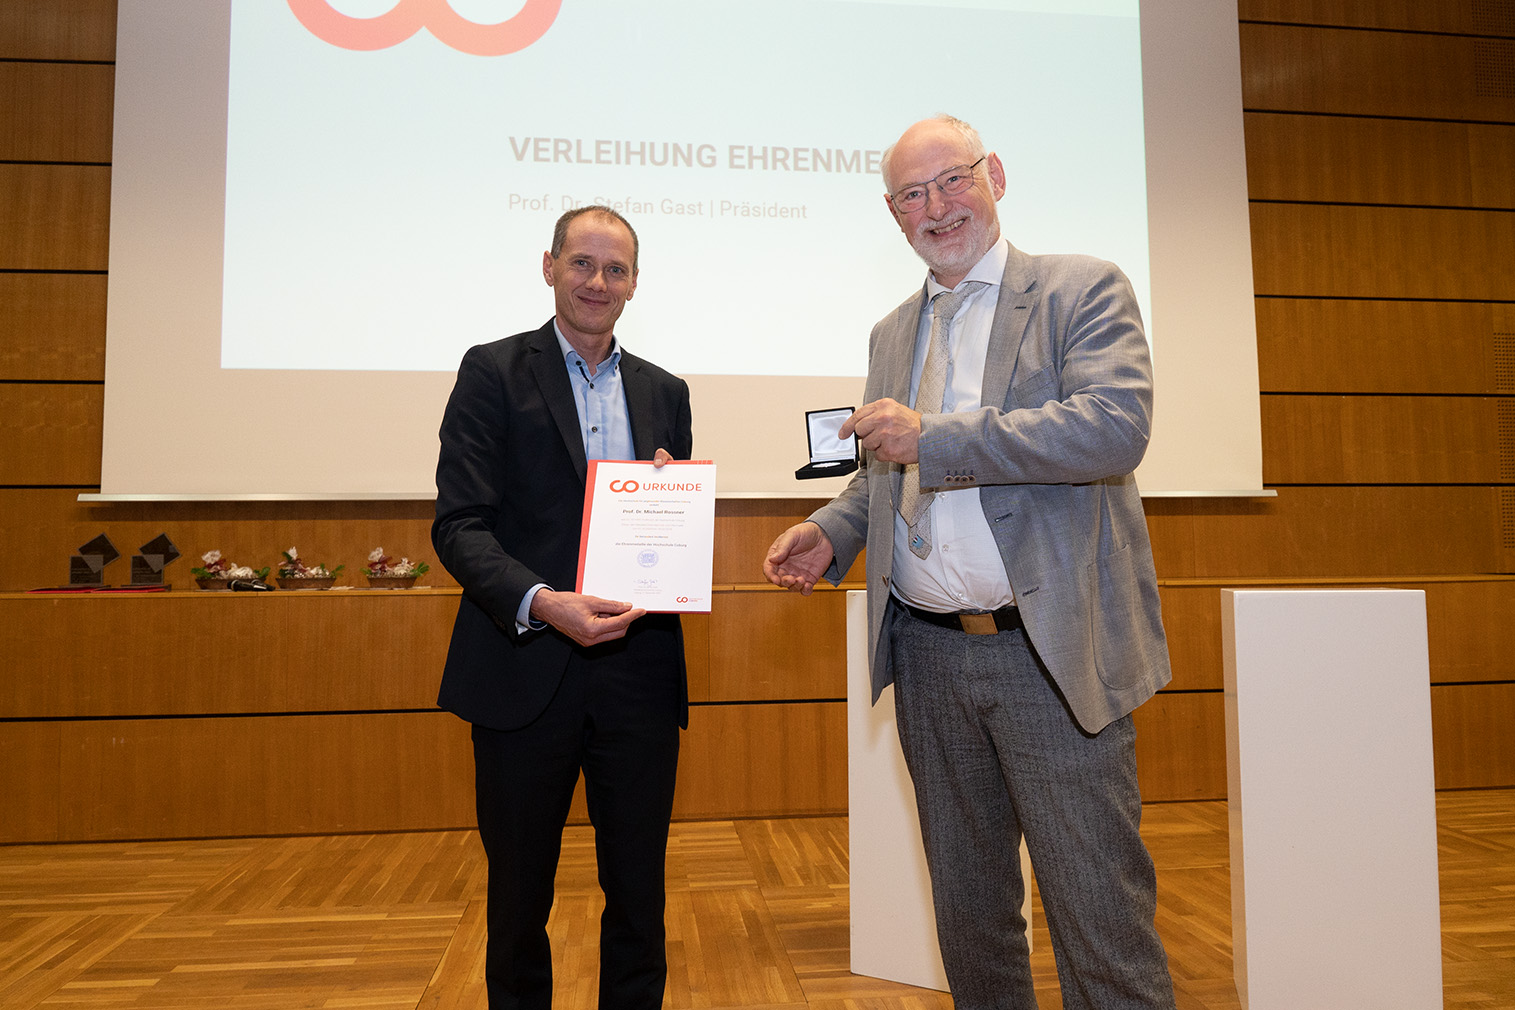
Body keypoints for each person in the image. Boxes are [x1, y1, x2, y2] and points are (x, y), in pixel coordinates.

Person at [764, 115, 1177, 1009]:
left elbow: (1115, 426)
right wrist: (835, 529)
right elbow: (887, 467)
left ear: (993, 173)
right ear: (891, 212)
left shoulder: (1079, 289)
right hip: (926, 656)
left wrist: (936, 437)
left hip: (1049, 653)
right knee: (970, 916)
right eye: (912, 195)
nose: (936, 207)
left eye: (951, 180)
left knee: (1097, 913)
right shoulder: (890, 331)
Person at [433, 205, 691, 1010]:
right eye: (582, 264)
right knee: (517, 902)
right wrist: (544, 604)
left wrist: (669, 496)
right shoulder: (491, 371)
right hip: (522, 673)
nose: (597, 282)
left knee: (639, 898)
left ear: (635, 284)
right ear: (549, 267)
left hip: (636, 676)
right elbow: (458, 525)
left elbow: (667, 533)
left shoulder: (666, 391)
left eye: (615, 270)